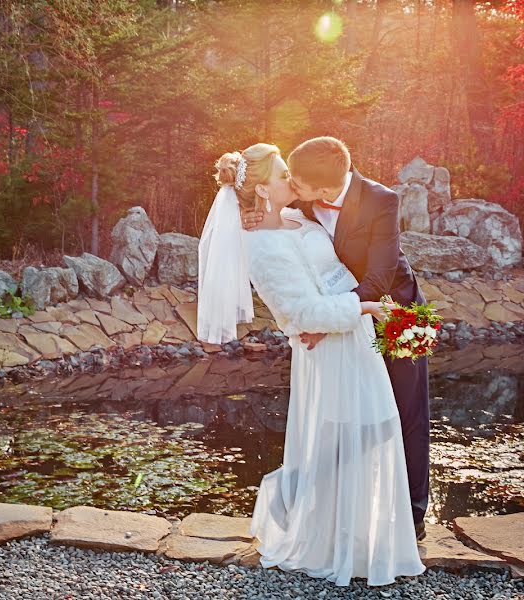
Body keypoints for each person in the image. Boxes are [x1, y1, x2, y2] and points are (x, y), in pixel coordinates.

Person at [197, 142, 425, 587]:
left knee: (384, 428)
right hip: (335, 351)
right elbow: (300, 313)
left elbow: (360, 272)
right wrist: (361, 312)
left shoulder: (299, 216)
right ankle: (323, 533)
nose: (293, 184)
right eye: (285, 177)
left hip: (355, 339)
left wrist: (358, 313)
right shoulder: (261, 246)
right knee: (349, 435)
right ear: (263, 189)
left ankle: (368, 534)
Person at [242, 137, 431, 540]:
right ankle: (327, 506)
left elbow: (379, 279)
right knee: (344, 417)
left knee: (406, 411)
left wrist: (331, 317)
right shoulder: (304, 200)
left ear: (322, 188)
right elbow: (280, 232)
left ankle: (412, 515)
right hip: (345, 320)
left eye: (298, 182)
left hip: (395, 309)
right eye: (289, 179)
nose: (292, 184)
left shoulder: (382, 200)